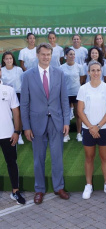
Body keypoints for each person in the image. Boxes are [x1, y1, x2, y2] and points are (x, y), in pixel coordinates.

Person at [20, 43, 70, 204]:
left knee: (57, 158)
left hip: (56, 122)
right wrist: (26, 127)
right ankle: (39, 189)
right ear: (37, 55)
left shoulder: (60, 74)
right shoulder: (27, 76)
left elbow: (64, 100)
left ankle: (59, 187)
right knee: (38, 159)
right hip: (36, 124)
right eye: (43, 54)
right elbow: (25, 104)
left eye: (48, 54)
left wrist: (66, 122)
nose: (46, 57)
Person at [77, 60, 106, 199]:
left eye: (98, 70)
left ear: (101, 72)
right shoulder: (83, 89)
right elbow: (80, 111)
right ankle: (88, 185)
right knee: (89, 158)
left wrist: (98, 126)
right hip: (88, 129)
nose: (95, 73)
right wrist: (91, 127)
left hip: (103, 128)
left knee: (105, 157)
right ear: (88, 72)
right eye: (93, 70)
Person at [0, 64, 25, 205]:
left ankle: (15, 191)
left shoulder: (9, 90)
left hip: (8, 135)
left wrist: (17, 131)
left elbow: (16, 112)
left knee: (11, 163)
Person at [60, 47, 85, 142]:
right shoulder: (61, 68)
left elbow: (82, 79)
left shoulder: (79, 67)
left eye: (73, 54)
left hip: (76, 93)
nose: (72, 56)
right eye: (70, 54)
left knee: (78, 114)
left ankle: (79, 133)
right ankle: (66, 134)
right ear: (66, 56)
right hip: (65, 94)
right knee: (65, 114)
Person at [1, 51, 24, 144]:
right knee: (7, 116)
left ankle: (19, 135)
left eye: (10, 58)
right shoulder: (1, 70)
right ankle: (7, 134)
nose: (9, 60)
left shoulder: (18, 69)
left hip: (18, 94)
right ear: (3, 60)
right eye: (6, 58)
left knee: (18, 115)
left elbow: (23, 82)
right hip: (4, 95)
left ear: (13, 59)